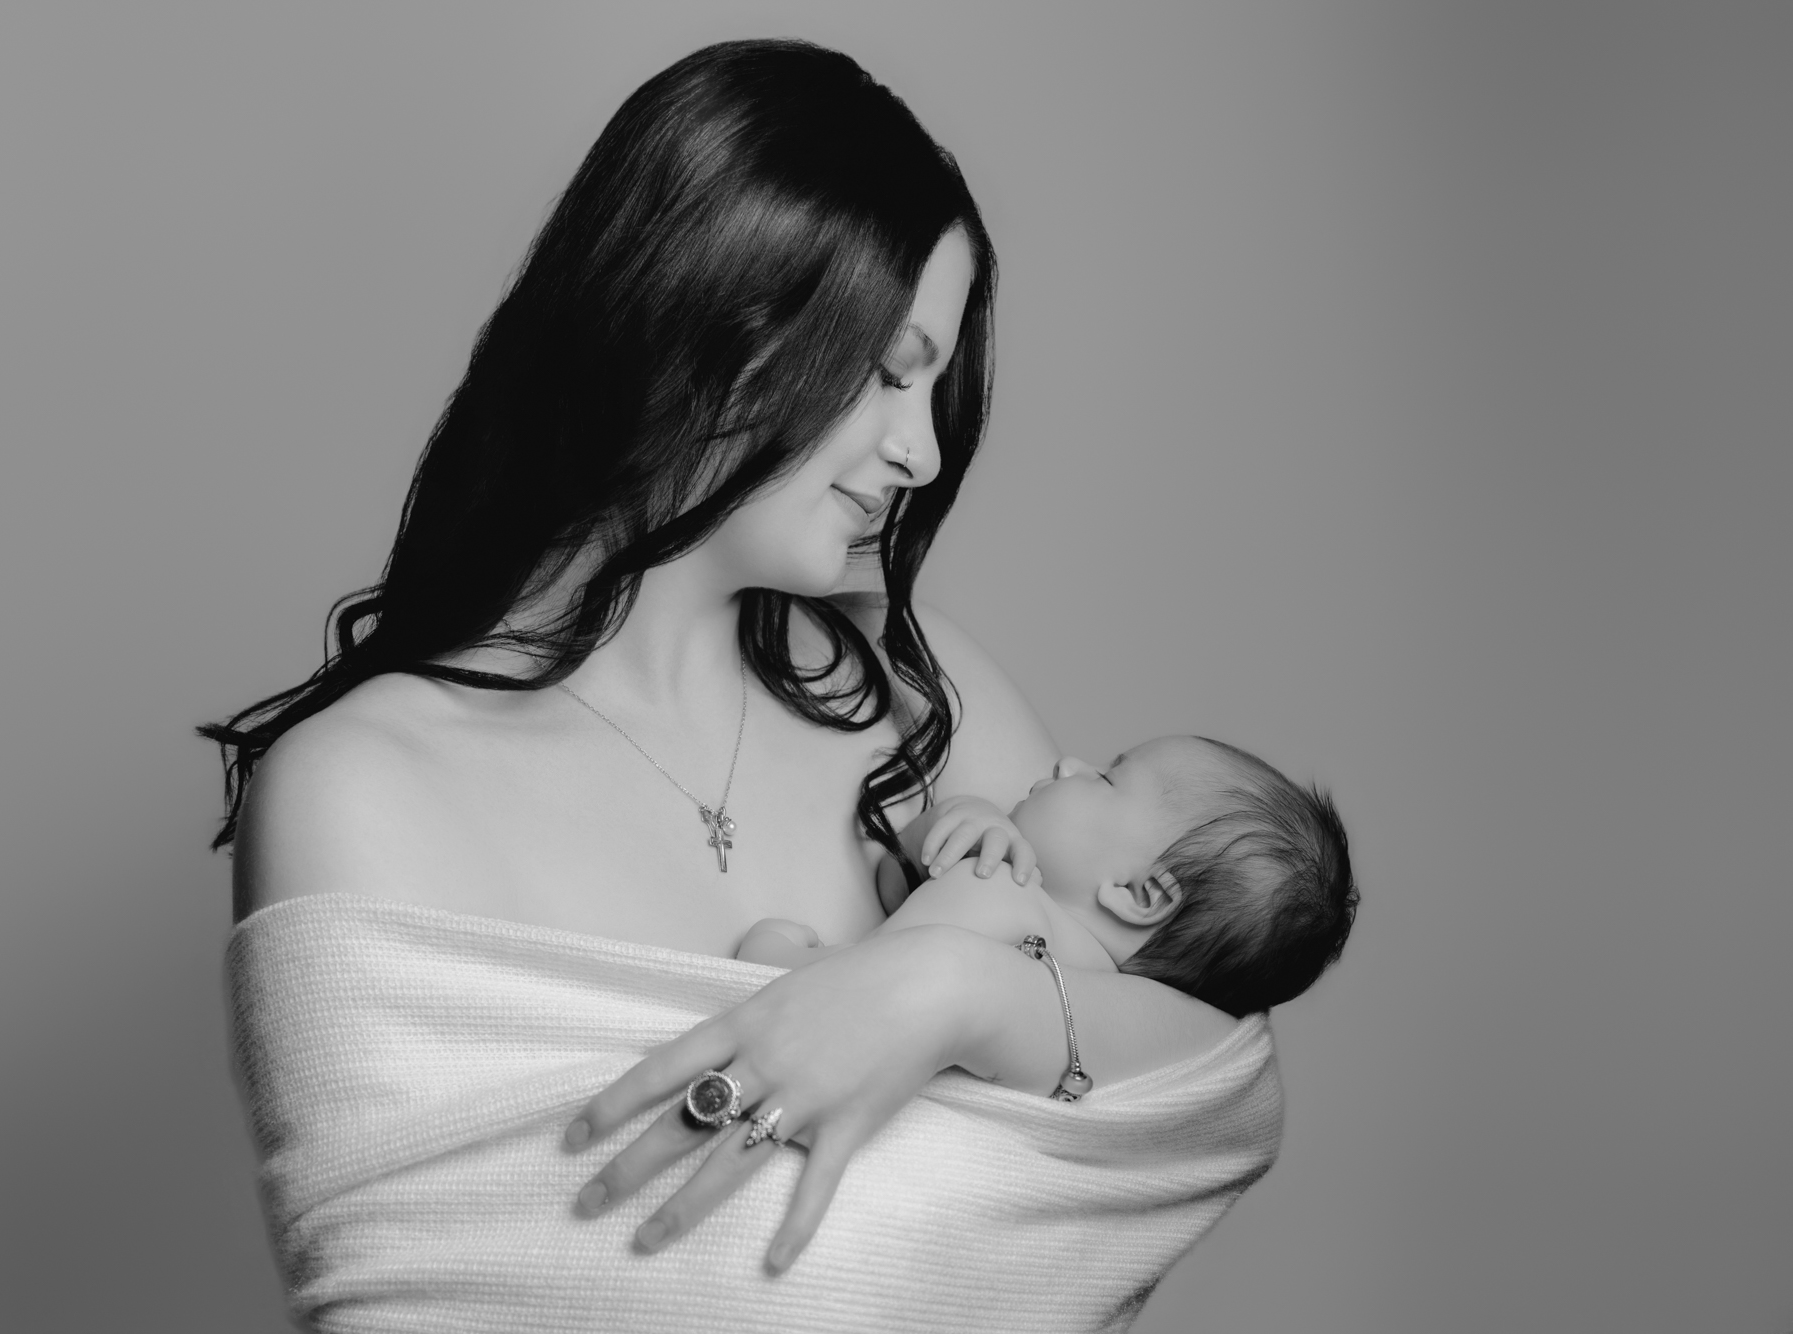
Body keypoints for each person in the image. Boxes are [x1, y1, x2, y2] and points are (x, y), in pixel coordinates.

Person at [207, 39, 1249, 1308]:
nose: (921, 452)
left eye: (933, 388)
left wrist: (942, 990)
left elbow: (1218, 1079)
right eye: (887, 374)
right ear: (710, 322)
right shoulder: (364, 788)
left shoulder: (919, 689)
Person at [738, 735, 1359, 1023]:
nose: (1068, 763)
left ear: (1139, 894)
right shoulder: (1099, 1010)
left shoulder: (998, 895)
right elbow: (902, 893)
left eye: (1107, 777)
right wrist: (961, 823)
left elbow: (839, 999)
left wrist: (776, 951)